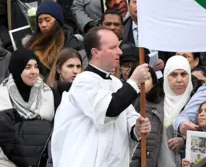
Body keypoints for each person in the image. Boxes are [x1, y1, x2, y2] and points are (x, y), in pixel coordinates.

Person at [51, 27, 152, 167]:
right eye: (113, 47)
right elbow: (108, 110)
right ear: (95, 52)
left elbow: (128, 118)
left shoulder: (116, 84)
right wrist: (134, 82)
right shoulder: (82, 82)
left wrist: (137, 128)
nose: (120, 52)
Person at [130, 56, 193, 166]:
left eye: (183, 74)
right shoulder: (151, 104)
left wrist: (187, 141)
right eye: (173, 75)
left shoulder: (197, 105)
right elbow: (140, 145)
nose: (179, 80)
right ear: (166, 77)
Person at [0, 49, 55, 167]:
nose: (34, 71)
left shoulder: (48, 93)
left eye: (36, 66)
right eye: (28, 67)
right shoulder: (2, 94)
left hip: (43, 160)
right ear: (17, 68)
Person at [24, 1, 84, 77]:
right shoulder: (32, 45)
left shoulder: (72, 44)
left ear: (58, 21)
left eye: (47, 20)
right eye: (40, 21)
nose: (43, 25)